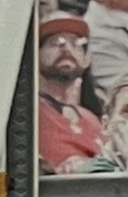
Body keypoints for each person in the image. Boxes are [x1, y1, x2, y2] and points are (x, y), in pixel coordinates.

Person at [34, 14, 107, 170]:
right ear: (35, 55)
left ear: (86, 59)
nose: (66, 48)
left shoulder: (92, 119)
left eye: (76, 43)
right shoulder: (28, 111)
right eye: (55, 43)